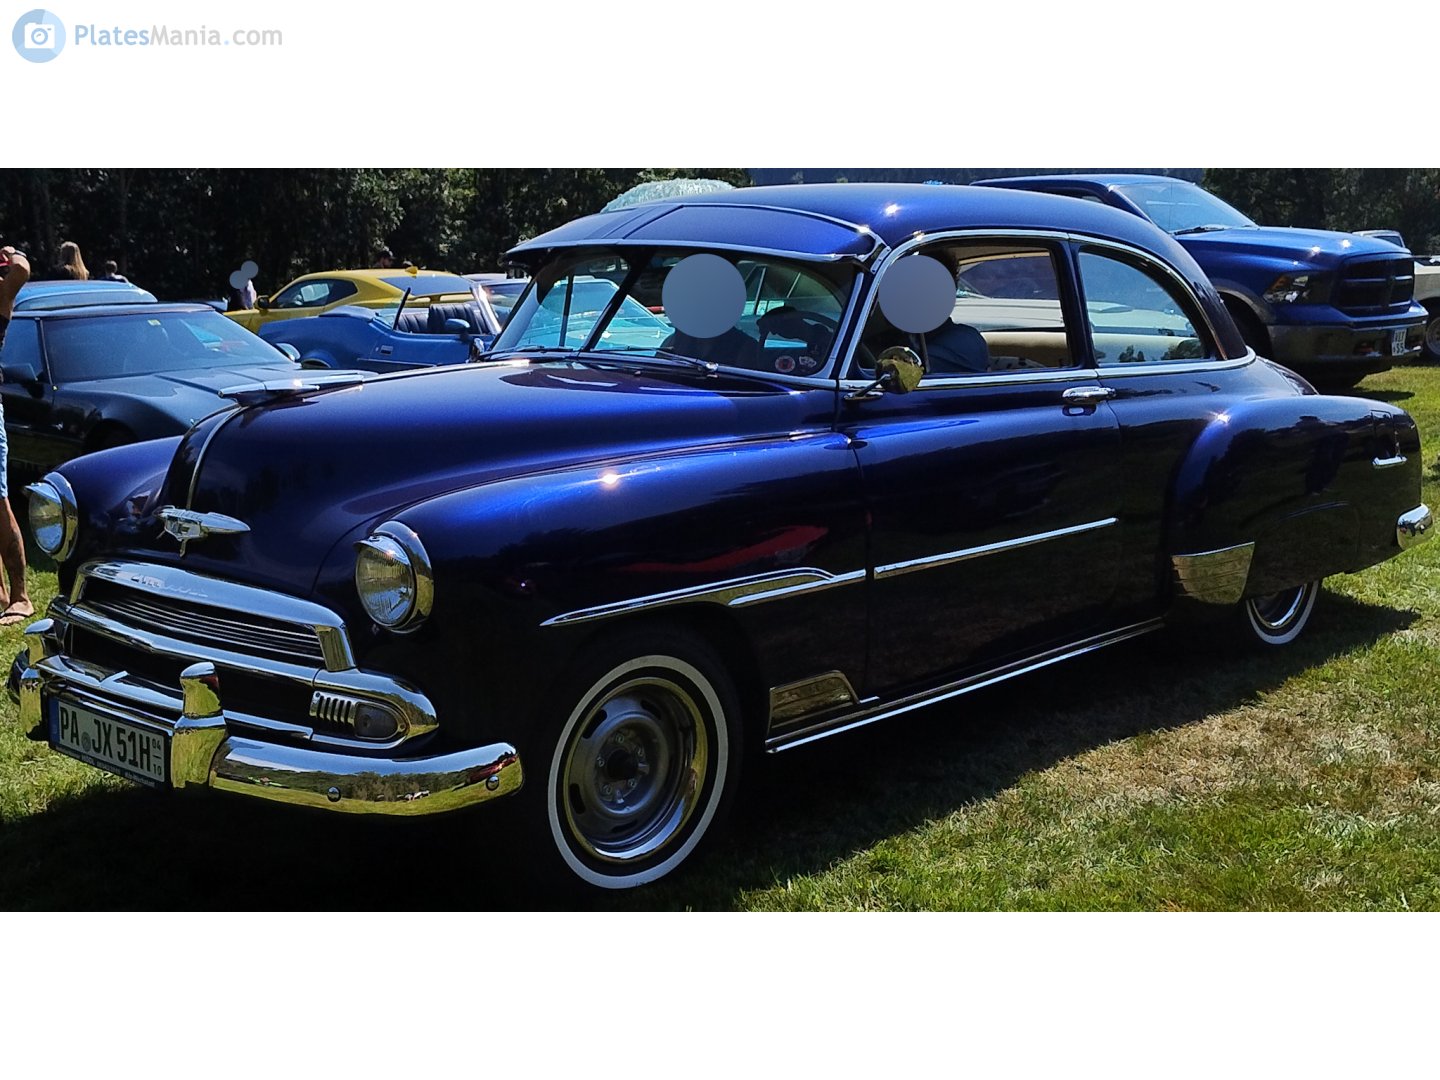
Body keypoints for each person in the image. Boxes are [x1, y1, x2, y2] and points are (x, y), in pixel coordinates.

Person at [0, 243, 34, 626]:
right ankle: (1, 595)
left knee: (0, 502)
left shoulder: (1, 297)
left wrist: (13, 251)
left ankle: (21, 597)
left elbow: (21, 270)